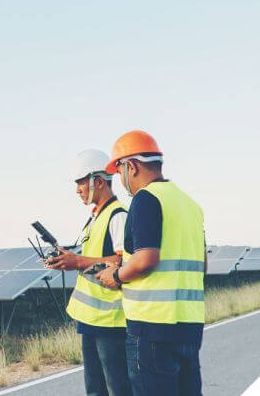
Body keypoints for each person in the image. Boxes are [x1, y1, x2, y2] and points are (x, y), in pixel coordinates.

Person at [96, 131, 205, 396]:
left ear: (130, 166)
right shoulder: (189, 204)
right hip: (190, 324)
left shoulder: (146, 198)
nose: (121, 181)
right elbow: (202, 264)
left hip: (152, 326)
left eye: (119, 171)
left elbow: (146, 259)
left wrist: (116, 276)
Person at [46, 149, 132, 396]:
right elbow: (90, 260)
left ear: (98, 181)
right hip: (91, 320)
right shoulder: (96, 217)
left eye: (80, 182)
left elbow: (122, 262)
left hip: (110, 322)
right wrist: (68, 260)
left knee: (117, 389)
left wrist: (78, 261)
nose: (77, 189)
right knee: (95, 390)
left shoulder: (118, 216)